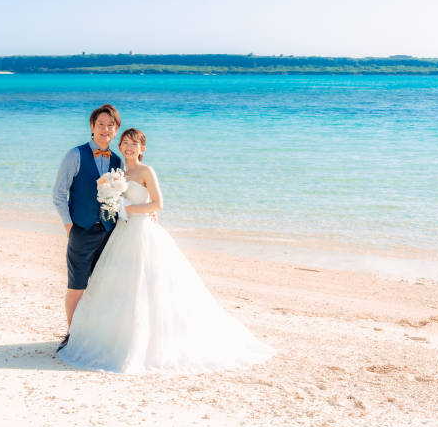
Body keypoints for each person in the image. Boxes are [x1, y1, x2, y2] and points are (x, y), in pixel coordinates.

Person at [58, 128, 275, 373]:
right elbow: (113, 199)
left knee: (150, 284)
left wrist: (128, 211)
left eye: (134, 143)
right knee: (122, 286)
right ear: (119, 146)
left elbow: (157, 204)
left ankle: (152, 340)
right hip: (122, 231)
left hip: (142, 231)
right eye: (125, 143)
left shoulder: (146, 171)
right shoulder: (118, 171)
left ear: (142, 148)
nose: (129, 147)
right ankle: (112, 336)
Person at [52, 104, 124, 351]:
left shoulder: (117, 160)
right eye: (101, 124)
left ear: (116, 131)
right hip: (81, 229)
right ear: (92, 127)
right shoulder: (75, 154)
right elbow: (59, 193)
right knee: (77, 286)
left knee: (103, 286)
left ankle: (96, 334)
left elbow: (122, 199)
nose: (105, 129)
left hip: (108, 232)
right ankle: (72, 335)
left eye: (110, 125)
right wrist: (69, 226)